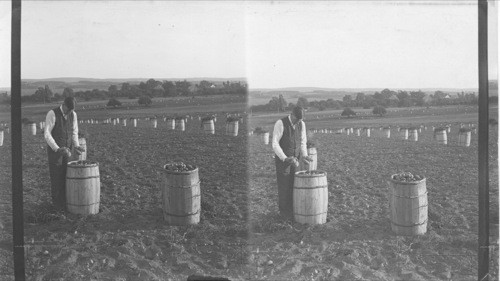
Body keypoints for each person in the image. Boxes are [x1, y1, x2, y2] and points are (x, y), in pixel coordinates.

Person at [271, 106, 313, 219]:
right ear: (292, 114)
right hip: (283, 161)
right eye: (297, 119)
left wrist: (304, 155)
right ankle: (284, 215)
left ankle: (293, 213)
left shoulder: (301, 124)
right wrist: (285, 158)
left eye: (300, 119)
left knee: (294, 186)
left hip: (296, 160)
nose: (298, 121)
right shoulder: (280, 123)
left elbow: (303, 142)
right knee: (284, 187)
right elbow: (275, 144)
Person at [44, 97, 85, 211]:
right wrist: (57, 148)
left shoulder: (73, 114)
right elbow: (47, 134)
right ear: (64, 104)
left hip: (68, 151)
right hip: (55, 152)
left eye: (72, 110)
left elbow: (74, 132)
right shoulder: (52, 114)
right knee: (57, 178)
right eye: (69, 109)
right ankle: (57, 207)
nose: (70, 112)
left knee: (67, 176)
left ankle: (66, 204)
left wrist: (76, 145)